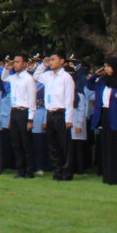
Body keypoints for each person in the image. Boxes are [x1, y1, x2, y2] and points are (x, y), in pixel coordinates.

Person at [90, 57, 117, 185]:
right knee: (107, 146)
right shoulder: (103, 81)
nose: (106, 68)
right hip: (105, 115)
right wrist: (95, 75)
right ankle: (109, 175)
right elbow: (90, 85)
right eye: (105, 66)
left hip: (116, 116)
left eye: (109, 66)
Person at [34, 53, 75, 181]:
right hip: (50, 113)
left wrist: (68, 119)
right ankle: (57, 171)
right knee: (53, 145)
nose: (51, 62)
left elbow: (69, 99)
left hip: (61, 113)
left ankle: (67, 172)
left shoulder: (66, 77)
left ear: (62, 61)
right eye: (50, 60)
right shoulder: (48, 76)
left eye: (53, 60)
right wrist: (43, 65)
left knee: (64, 145)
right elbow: (36, 76)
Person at [2, 54, 36, 178]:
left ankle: (29, 170)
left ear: (25, 64)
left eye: (18, 62)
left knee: (26, 142)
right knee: (16, 143)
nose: (15, 64)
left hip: (24, 111)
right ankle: (20, 170)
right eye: (14, 62)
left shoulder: (28, 79)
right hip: (14, 111)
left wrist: (30, 118)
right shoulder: (14, 77)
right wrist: (7, 67)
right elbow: (3, 77)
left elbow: (32, 100)